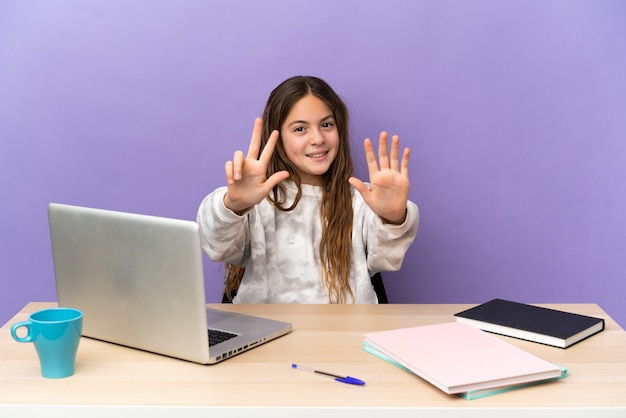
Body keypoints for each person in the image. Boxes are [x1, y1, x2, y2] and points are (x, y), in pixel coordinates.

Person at [197, 75, 418, 303]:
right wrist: (234, 205)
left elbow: (386, 258)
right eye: (300, 129)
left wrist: (392, 218)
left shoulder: (363, 199)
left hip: (344, 332)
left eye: (326, 125)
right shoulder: (256, 200)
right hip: (267, 332)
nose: (317, 138)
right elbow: (216, 245)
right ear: (278, 137)